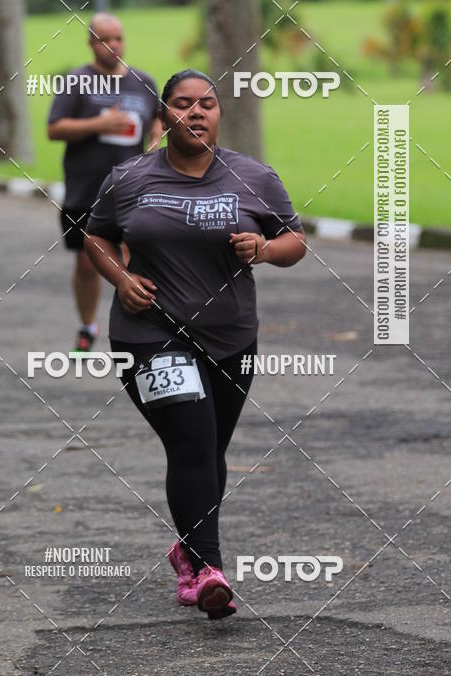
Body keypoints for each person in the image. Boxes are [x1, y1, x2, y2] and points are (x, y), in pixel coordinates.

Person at [85, 69, 306, 619]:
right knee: (190, 441)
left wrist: (264, 249)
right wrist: (121, 279)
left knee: (209, 451)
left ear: (219, 114)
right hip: (149, 334)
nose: (196, 112)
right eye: (183, 104)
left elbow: (294, 240)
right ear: (164, 117)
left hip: (231, 336)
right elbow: (96, 235)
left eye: (206, 103)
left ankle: (188, 549)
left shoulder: (253, 176)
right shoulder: (129, 177)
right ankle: (207, 571)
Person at [47, 13, 162, 354]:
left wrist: (156, 140)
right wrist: (99, 123)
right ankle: (87, 326)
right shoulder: (76, 81)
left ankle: (140, 329)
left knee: (134, 260)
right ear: (91, 43)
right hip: (85, 191)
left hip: (132, 192)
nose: (113, 45)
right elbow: (55, 129)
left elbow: (157, 118)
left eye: (118, 38)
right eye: (104, 39)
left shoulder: (143, 81)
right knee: (87, 263)